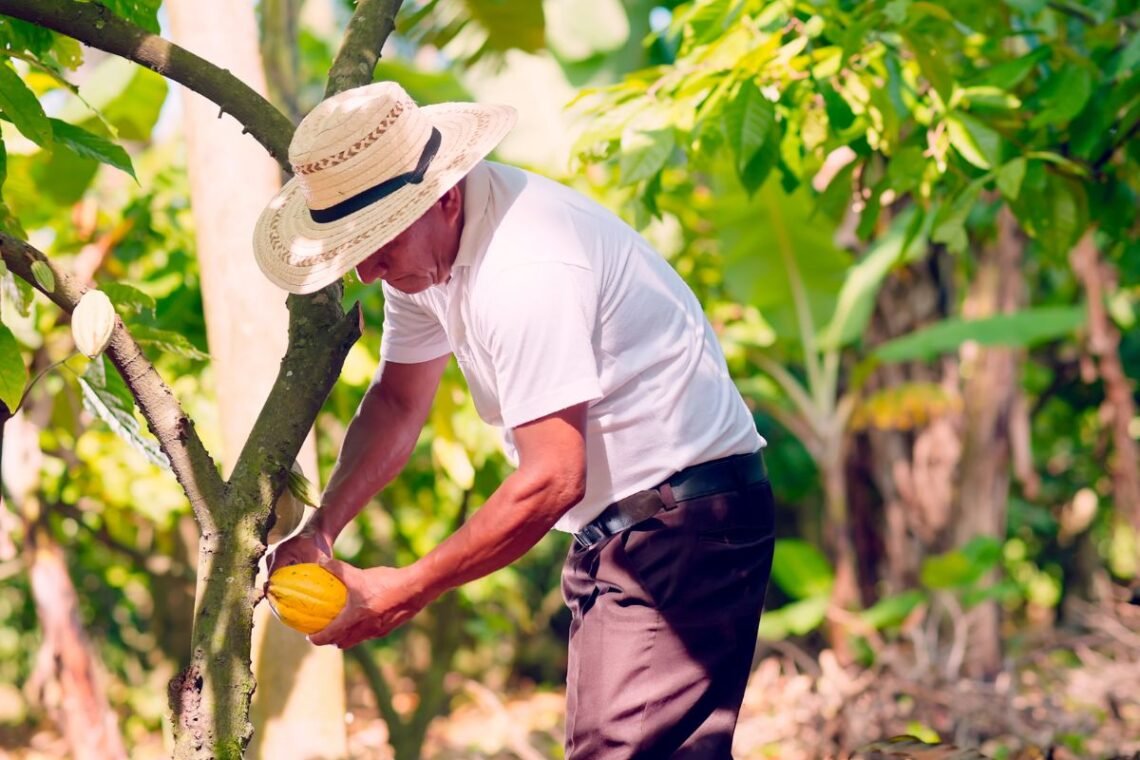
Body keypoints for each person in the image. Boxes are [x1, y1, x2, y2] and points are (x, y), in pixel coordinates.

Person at [254, 81, 776, 759]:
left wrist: (403, 590)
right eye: (356, 248)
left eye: (379, 244)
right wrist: (321, 528)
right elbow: (399, 401)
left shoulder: (525, 265)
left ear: (442, 198)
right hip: (623, 530)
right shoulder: (423, 259)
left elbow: (552, 478)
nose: (369, 269)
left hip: (682, 524)